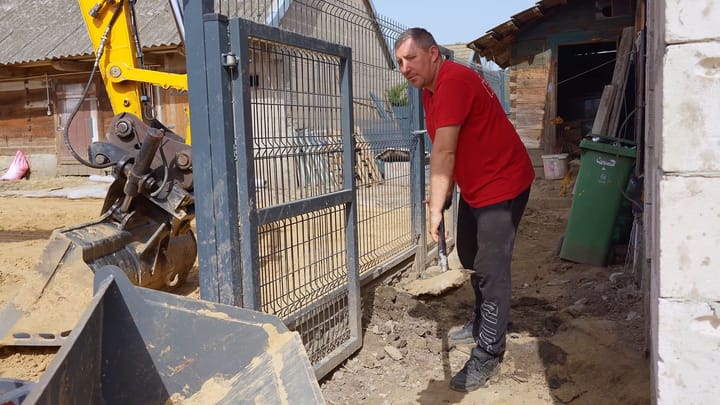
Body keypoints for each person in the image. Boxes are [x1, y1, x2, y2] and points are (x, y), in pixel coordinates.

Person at [394, 28, 535, 392]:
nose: (404, 68)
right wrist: (446, 196)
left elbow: (444, 153)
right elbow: (450, 145)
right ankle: (480, 320)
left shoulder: (454, 82)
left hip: (503, 182)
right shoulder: (429, 90)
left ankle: (489, 351)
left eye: (411, 58)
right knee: (470, 254)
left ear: (433, 54)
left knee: (491, 268)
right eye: (398, 62)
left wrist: (436, 208)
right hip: (476, 185)